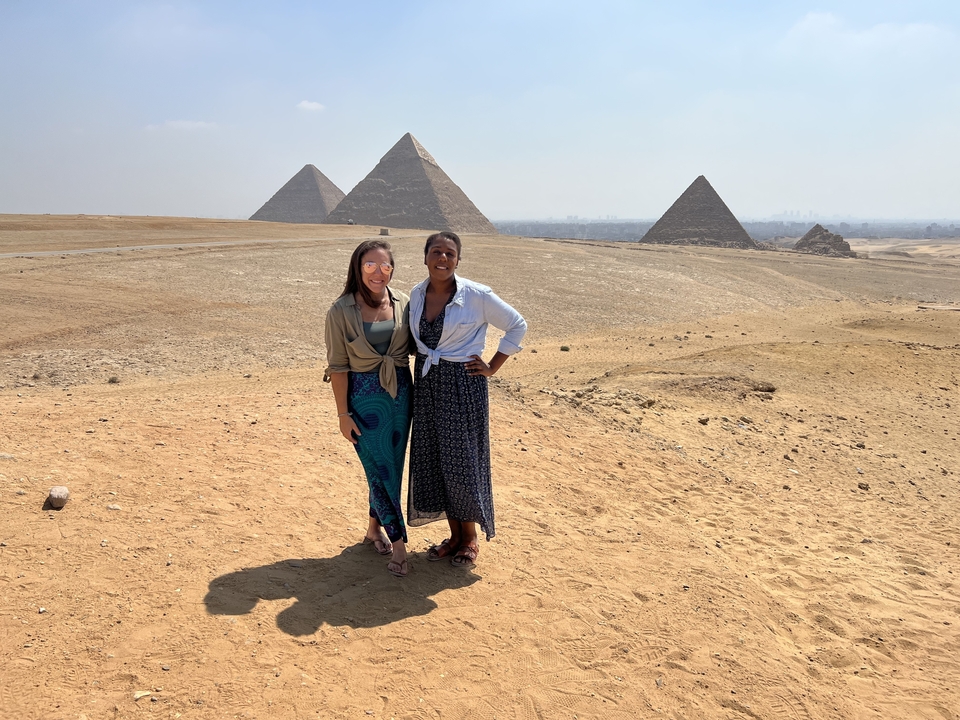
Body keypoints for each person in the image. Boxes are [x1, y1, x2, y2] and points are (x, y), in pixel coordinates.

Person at [407, 231, 527, 568]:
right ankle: (454, 536)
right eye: (436, 252)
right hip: (428, 384)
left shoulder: (476, 295)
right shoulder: (417, 294)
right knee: (435, 460)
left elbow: (517, 325)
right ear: (425, 256)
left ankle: (470, 538)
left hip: (462, 385)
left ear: (458, 260)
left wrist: (492, 367)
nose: (442, 258)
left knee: (462, 461)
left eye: (449, 253)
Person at [324, 240, 413, 577]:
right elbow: (338, 366)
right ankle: (400, 543)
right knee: (379, 470)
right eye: (370, 265)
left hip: (401, 397)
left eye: (385, 265)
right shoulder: (340, 311)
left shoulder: (403, 301)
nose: (379, 272)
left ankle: (373, 530)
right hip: (363, 400)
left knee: (390, 468)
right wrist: (343, 414)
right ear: (358, 268)